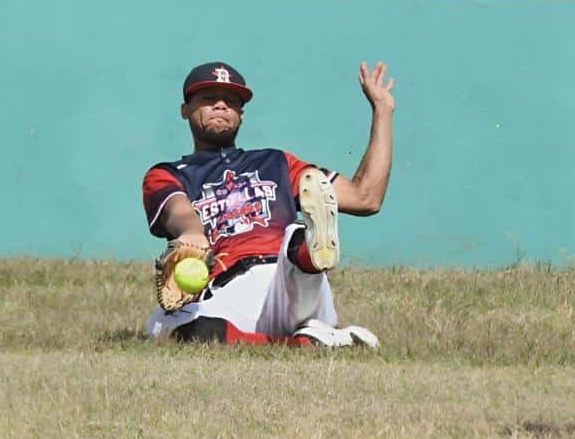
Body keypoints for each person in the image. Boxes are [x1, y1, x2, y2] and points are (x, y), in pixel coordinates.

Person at [142, 60, 395, 347]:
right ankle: (313, 340)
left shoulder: (277, 163)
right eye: (208, 98)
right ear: (185, 110)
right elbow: (178, 209)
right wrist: (192, 232)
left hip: (287, 279)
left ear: (241, 114)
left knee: (295, 235)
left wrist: (383, 110)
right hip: (230, 292)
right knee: (162, 325)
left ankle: (312, 250)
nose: (221, 105)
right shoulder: (168, 173)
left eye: (231, 101)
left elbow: (365, 198)